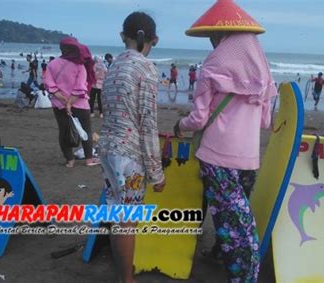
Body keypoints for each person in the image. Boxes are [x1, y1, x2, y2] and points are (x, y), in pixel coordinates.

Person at [174, 1, 277, 281]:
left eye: (214, 38)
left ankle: (244, 276)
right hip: (249, 158)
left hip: (217, 156)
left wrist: (179, 125)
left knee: (234, 223)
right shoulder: (264, 78)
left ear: (220, 39)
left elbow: (198, 120)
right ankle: (222, 254)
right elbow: (266, 122)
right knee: (237, 211)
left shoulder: (211, 69)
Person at [97, 12, 164, 283]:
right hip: (129, 155)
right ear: (154, 40)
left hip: (109, 149)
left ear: (122, 37)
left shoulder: (113, 66)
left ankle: (123, 274)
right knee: (127, 220)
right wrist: (157, 172)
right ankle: (126, 279)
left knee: (117, 215)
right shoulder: (146, 68)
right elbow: (147, 124)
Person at [43, 36, 100, 168]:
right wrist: (70, 102)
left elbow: (48, 84)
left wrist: (63, 100)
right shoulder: (79, 66)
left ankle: (70, 160)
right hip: (79, 103)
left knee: (63, 130)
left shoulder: (52, 64)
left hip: (58, 104)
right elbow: (81, 87)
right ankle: (89, 160)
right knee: (86, 130)